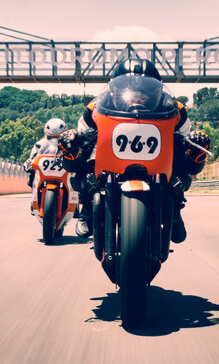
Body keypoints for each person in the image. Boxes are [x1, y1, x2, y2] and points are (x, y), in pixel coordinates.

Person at [58, 58, 210, 243]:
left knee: (185, 159)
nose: (137, 99)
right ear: (115, 91)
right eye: (130, 93)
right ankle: (87, 212)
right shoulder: (94, 107)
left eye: (144, 95)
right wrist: (74, 140)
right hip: (110, 154)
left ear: (156, 91)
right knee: (80, 156)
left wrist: (194, 143)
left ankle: (175, 213)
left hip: (158, 158)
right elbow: (82, 134)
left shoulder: (176, 108)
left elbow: (185, 137)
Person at [23, 118, 68, 188]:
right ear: (46, 135)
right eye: (51, 137)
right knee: (32, 176)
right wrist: (29, 163)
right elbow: (32, 158)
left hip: (65, 171)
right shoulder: (39, 144)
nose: (54, 140)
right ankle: (36, 192)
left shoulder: (69, 144)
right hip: (44, 173)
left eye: (58, 137)